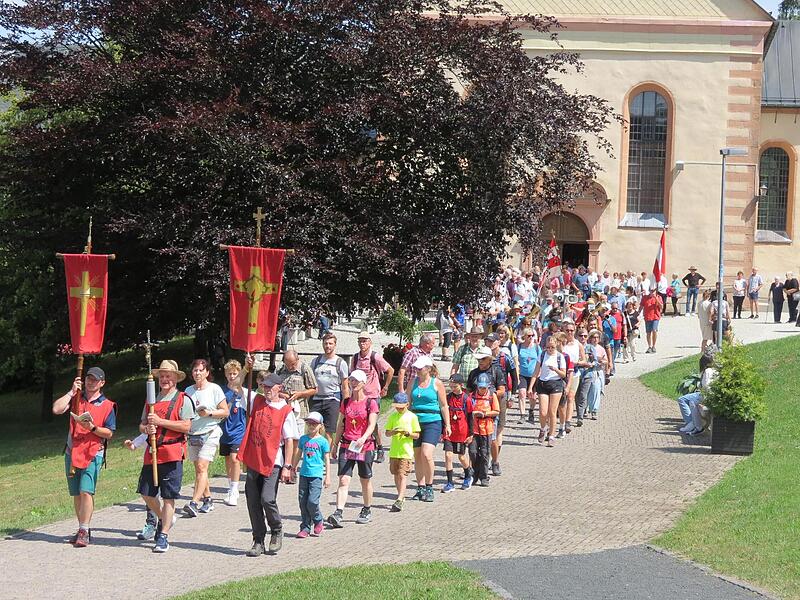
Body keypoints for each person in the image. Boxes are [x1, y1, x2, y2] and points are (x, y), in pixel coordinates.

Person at [52, 366, 116, 548]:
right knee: (76, 493)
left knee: (86, 490)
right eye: (88, 378)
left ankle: (84, 529)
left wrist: (93, 428)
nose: (90, 382)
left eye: (94, 380)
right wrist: (71, 392)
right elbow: (56, 409)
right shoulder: (76, 399)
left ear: (102, 383)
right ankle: (83, 528)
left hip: (92, 451)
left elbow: (109, 433)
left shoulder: (107, 405)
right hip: (72, 451)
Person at [136, 360, 195, 553]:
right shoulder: (151, 400)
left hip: (172, 452)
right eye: (162, 376)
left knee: (169, 497)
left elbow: (186, 426)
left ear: (175, 378)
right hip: (152, 453)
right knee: (146, 493)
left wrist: (161, 422)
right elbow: (142, 425)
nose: (164, 379)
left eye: (168, 376)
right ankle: (164, 517)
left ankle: (164, 535)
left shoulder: (183, 399)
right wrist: (147, 428)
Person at [240, 371, 300, 556]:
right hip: (254, 459)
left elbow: (289, 440)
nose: (266, 389)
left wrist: (287, 467)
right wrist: (246, 366)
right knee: (253, 502)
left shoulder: (285, 411)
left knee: (267, 498)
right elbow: (235, 384)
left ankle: (276, 529)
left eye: (270, 386)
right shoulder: (256, 402)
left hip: (273, 461)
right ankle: (258, 540)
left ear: (278, 388)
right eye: (264, 386)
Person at [327, 369, 379, 527]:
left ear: (364, 383)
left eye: (356, 380)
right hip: (347, 445)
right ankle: (338, 512)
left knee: (365, 480)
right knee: (343, 479)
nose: (353, 383)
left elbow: (372, 425)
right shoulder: (346, 402)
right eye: (351, 380)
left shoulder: (371, 403)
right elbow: (340, 424)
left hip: (365, 445)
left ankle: (366, 508)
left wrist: (363, 438)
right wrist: (335, 445)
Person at [183, 358, 228, 517]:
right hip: (193, 434)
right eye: (195, 370)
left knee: (202, 467)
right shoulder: (188, 391)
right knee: (199, 470)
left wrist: (208, 413)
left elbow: (225, 411)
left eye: (201, 370)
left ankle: (194, 503)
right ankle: (208, 499)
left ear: (207, 372)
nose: (197, 373)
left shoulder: (214, 389)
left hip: (210, 432)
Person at [409, 356, 450, 502]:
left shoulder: (436, 383)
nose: (418, 370)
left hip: (433, 421)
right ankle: (420, 487)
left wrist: (448, 424)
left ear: (428, 369)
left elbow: (444, 405)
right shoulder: (413, 382)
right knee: (418, 455)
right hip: (415, 421)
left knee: (427, 454)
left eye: (420, 368)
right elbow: (408, 402)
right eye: (417, 368)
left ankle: (429, 486)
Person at [350, 331, 393, 463]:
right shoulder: (355, 358)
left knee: (372, 424)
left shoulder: (375, 357)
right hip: (358, 396)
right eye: (360, 341)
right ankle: (360, 446)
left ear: (370, 342)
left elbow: (390, 370)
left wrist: (385, 387)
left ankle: (379, 448)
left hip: (373, 396)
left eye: (365, 341)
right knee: (356, 421)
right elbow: (351, 375)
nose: (362, 343)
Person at [220, 358, 256, 507]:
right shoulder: (222, 391)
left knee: (235, 459)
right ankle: (230, 485)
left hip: (238, 430)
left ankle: (234, 490)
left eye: (235, 373)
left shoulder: (243, 392)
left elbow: (238, 384)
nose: (232, 376)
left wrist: (247, 368)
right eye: (229, 373)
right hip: (224, 431)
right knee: (228, 459)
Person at [290, 411, 330, 539]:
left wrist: (327, 476)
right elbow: (298, 454)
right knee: (303, 502)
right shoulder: (303, 439)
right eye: (309, 423)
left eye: (314, 423)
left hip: (316, 475)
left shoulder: (323, 441)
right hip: (304, 475)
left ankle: (318, 520)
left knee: (312, 502)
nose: (311, 426)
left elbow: (327, 459)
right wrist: (293, 467)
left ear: (320, 426)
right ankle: (305, 527)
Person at [384, 392, 421, 512]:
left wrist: (408, 433)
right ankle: (400, 494)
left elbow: (416, 435)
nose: (399, 409)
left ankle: (400, 498)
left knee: (402, 474)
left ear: (407, 404)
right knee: (395, 474)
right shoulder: (393, 417)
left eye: (401, 407)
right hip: (394, 451)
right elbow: (387, 432)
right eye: (397, 407)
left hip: (406, 451)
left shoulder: (412, 417)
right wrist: (393, 432)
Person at [309, 333, 349, 441]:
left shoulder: (340, 363)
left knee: (329, 431)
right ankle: (313, 452)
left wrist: (346, 404)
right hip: (316, 399)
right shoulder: (315, 361)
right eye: (326, 343)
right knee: (313, 428)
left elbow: (345, 386)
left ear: (335, 345)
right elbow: (309, 380)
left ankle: (327, 456)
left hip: (332, 399)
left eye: (330, 343)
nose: (328, 346)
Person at [530, 335, 567, 447]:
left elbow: (564, 374)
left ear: (556, 345)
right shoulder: (542, 355)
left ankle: (551, 436)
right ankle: (542, 429)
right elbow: (536, 372)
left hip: (556, 383)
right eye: (548, 347)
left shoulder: (560, 357)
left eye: (552, 347)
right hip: (543, 383)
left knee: (552, 411)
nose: (550, 349)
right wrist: (530, 387)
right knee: (543, 411)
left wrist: (555, 369)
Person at [442, 374, 474, 492]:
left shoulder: (467, 399)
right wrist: (442, 430)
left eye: (455, 386)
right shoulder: (448, 398)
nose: (453, 388)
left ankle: (468, 475)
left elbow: (471, 417)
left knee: (461, 457)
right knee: (448, 455)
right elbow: (443, 414)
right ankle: (450, 483)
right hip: (449, 431)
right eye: (451, 386)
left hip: (461, 432)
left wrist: (471, 434)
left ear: (461, 385)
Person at [470, 373, 500, 486]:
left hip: (487, 429)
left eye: (484, 387)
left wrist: (485, 414)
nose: (482, 389)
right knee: (473, 452)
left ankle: (484, 477)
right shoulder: (472, 396)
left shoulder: (492, 396)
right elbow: (468, 410)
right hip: (474, 430)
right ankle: (475, 473)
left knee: (484, 453)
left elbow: (497, 411)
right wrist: (473, 414)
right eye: (480, 387)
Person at [559, 321, 585, 435]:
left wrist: (577, 363)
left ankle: (568, 421)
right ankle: (561, 420)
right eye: (567, 330)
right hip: (561, 374)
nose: (569, 332)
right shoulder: (561, 344)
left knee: (570, 397)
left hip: (574, 373)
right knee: (562, 399)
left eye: (571, 330)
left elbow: (584, 360)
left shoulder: (578, 344)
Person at [276, 350, 318, 419]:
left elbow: (315, 389)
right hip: (282, 409)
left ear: (297, 360)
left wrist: (300, 394)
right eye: (287, 365)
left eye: (293, 364)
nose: (290, 367)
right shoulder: (279, 369)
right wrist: (281, 394)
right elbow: (273, 387)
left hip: (299, 412)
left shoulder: (304, 369)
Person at [583, 330, 608, 420]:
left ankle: (594, 410)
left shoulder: (601, 349)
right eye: (594, 337)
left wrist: (601, 361)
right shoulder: (586, 347)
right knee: (586, 391)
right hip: (587, 371)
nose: (595, 339)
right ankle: (584, 408)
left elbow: (606, 360)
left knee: (596, 390)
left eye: (597, 337)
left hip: (597, 372)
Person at [517, 327, 540, 423]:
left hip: (534, 375)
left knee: (533, 396)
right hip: (523, 374)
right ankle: (522, 415)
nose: (531, 337)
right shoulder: (520, 347)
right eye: (529, 336)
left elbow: (540, 360)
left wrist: (541, 372)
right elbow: (516, 359)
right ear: (524, 336)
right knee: (522, 393)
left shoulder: (536, 347)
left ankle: (531, 410)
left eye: (532, 335)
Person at [640, 289, 664, 353]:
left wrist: (656, 298)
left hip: (655, 316)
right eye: (651, 291)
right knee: (648, 332)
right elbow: (641, 306)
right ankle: (649, 346)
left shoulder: (659, 297)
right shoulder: (645, 298)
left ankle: (654, 346)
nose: (652, 292)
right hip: (647, 317)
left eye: (653, 291)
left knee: (654, 330)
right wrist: (637, 314)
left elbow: (661, 307)